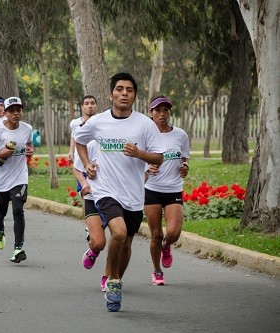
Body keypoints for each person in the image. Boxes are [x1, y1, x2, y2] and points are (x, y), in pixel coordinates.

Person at [74, 72, 166, 312]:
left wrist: (139, 154)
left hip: (134, 195)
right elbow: (79, 139)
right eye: (119, 89)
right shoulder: (98, 121)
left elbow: (159, 157)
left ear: (134, 95)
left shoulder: (145, 124)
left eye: (129, 90)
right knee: (119, 233)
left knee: (126, 243)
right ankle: (113, 283)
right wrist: (87, 164)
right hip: (105, 190)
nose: (124, 93)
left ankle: (115, 277)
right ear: (111, 94)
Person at [0, 96, 34, 263]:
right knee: (1, 211)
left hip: (19, 177)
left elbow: (29, 144)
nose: (16, 113)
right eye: (12, 111)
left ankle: (18, 248)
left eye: (18, 110)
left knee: (18, 210)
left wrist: (30, 151)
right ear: (5, 112)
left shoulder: (27, 129)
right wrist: (0, 154)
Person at [144, 96, 190, 286]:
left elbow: (185, 159)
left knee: (173, 232)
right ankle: (157, 271)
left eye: (165, 110)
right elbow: (136, 161)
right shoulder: (145, 135)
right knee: (155, 234)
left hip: (173, 189)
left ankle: (167, 246)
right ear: (151, 113)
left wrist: (185, 167)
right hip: (152, 189)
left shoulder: (180, 135)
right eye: (158, 110)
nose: (162, 114)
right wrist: (148, 167)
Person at [73, 140, 109, 292]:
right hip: (93, 198)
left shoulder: (124, 144)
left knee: (120, 238)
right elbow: (77, 168)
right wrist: (84, 183)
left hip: (117, 199)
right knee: (99, 243)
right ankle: (93, 250)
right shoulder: (91, 144)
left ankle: (110, 276)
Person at [67, 95, 98, 163]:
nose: (90, 106)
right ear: (82, 107)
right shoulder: (74, 123)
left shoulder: (100, 122)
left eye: (92, 103)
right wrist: (71, 151)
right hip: (80, 161)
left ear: (96, 106)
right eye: (86, 104)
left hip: (97, 161)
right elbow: (74, 136)